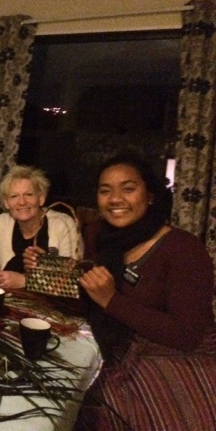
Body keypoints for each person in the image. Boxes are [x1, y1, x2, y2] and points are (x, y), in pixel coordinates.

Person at [75, 151, 216, 430]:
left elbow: (187, 335)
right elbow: (91, 298)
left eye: (128, 189)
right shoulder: (98, 235)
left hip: (179, 360)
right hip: (115, 347)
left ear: (150, 195)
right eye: (105, 190)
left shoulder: (183, 248)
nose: (115, 199)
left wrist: (112, 300)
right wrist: (45, 270)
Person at [0, 165, 79, 288]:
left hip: (47, 299)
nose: (21, 202)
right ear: (6, 203)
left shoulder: (62, 223)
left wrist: (24, 281)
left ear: (41, 198)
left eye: (29, 194)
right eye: (14, 196)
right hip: (9, 297)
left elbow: (72, 279)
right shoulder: (1, 223)